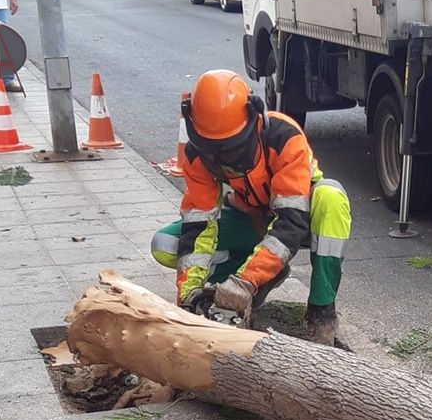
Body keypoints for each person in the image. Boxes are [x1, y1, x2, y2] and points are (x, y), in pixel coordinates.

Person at [150, 69, 351, 346]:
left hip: (299, 222)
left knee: (332, 197)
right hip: (250, 219)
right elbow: (198, 228)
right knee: (165, 244)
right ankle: (253, 278)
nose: (223, 161)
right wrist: (188, 298)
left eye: (231, 150)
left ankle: (321, 313)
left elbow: (290, 225)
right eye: (215, 152)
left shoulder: (284, 137)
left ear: (254, 121)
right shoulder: (198, 155)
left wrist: (247, 281)